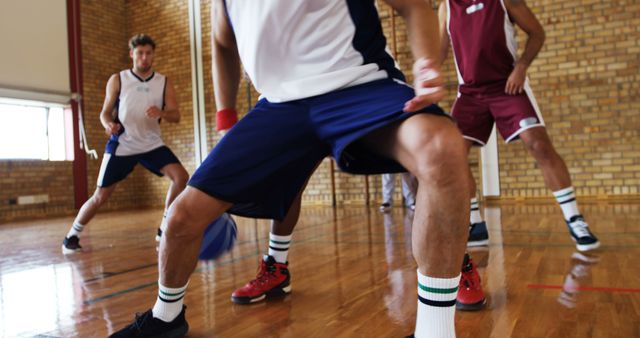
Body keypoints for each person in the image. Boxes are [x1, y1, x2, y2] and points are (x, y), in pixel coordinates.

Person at [111, 1, 470, 337]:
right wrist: (226, 117)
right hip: (279, 107)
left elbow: (414, 5)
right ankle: (165, 317)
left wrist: (426, 66)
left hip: (359, 86)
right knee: (180, 218)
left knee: (441, 146)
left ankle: (435, 329)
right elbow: (222, 43)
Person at [438, 0, 600, 251]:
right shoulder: (447, 7)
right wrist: (427, 77)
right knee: (452, 152)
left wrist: (521, 67)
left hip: (506, 86)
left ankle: (574, 218)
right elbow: (438, 52)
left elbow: (537, 33)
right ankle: (475, 224)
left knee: (538, 144)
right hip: (470, 93)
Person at [62, 34, 189, 254]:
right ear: (132, 54)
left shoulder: (163, 81)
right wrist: (108, 124)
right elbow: (104, 113)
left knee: (181, 177)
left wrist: (162, 112)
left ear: (153, 55)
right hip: (123, 143)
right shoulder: (118, 79)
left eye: (148, 53)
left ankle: (164, 227)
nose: (144, 58)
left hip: (151, 143)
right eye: (140, 53)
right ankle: (72, 235)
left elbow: (176, 115)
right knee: (101, 196)